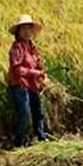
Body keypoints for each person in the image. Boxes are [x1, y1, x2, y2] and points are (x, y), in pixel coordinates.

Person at [6, 14, 48, 147]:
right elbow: (17, 69)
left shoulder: (33, 47)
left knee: (38, 111)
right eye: (23, 29)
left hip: (32, 85)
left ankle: (41, 138)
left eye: (29, 28)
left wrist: (43, 76)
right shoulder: (17, 48)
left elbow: (39, 64)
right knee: (25, 115)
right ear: (18, 32)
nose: (26, 32)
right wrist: (35, 73)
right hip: (19, 86)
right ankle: (18, 143)